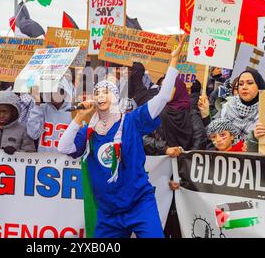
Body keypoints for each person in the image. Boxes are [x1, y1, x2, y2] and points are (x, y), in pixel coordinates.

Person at [57, 43, 182, 238]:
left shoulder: (132, 121)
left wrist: (174, 60)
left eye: (106, 91)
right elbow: (63, 147)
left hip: (139, 204)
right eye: (96, 92)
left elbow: (163, 97)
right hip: (109, 212)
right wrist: (79, 118)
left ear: (115, 97)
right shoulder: (89, 130)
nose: (100, 96)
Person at [199, 69, 265, 141]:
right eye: (240, 84)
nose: (244, 87)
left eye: (249, 83)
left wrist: (255, 140)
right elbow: (213, 136)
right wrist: (206, 115)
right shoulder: (227, 107)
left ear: (259, 86)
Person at [27, 77, 73, 152]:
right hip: (44, 160)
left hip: (65, 160)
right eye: (48, 92)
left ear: (64, 92)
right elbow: (33, 134)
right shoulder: (41, 109)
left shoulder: (74, 111)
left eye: (55, 91)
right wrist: (37, 105)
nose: (51, 95)